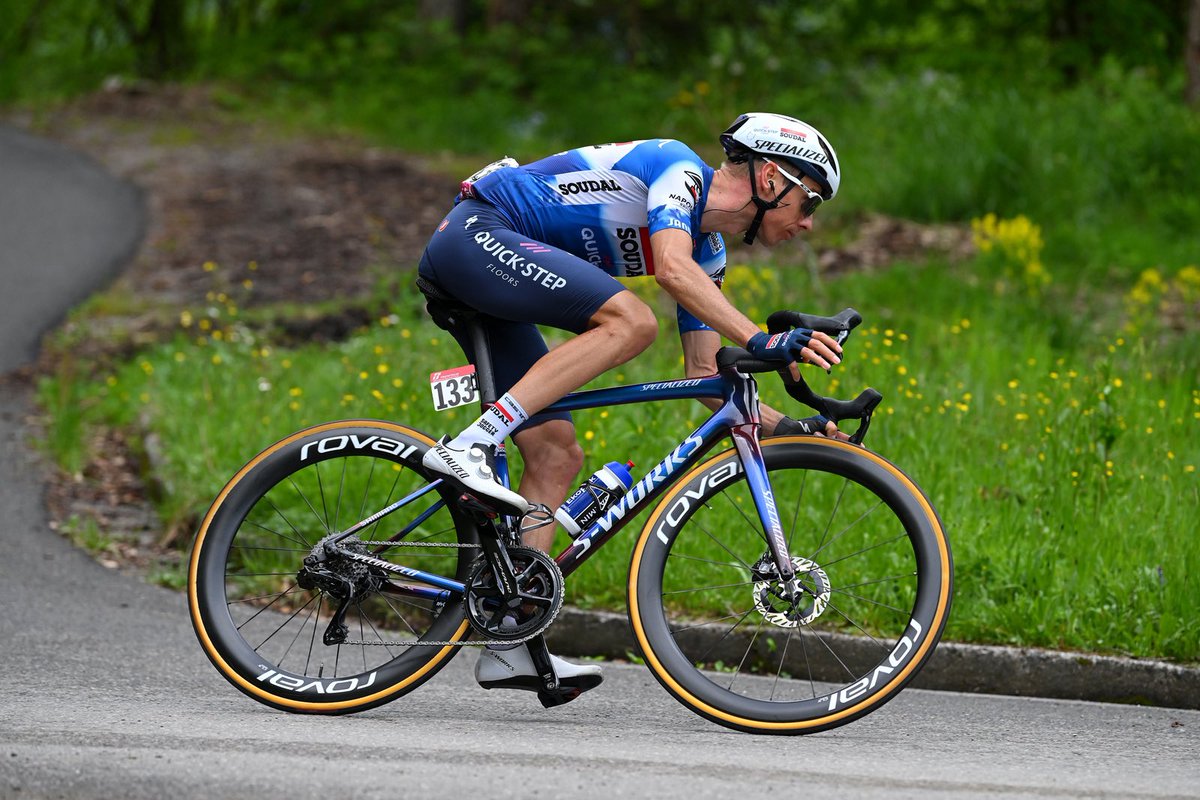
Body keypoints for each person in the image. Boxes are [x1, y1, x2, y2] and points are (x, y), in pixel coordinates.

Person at [417, 112, 846, 701]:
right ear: (771, 179)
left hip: (497, 276)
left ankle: (511, 637)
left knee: (554, 454)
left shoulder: (709, 250)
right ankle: (471, 444)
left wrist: (801, 427)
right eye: (811, 200)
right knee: (630, 321)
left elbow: (705, 375)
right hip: (477, 234)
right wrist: (761, 339)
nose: (811, 224)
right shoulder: (679, 171)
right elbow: (669, 269)